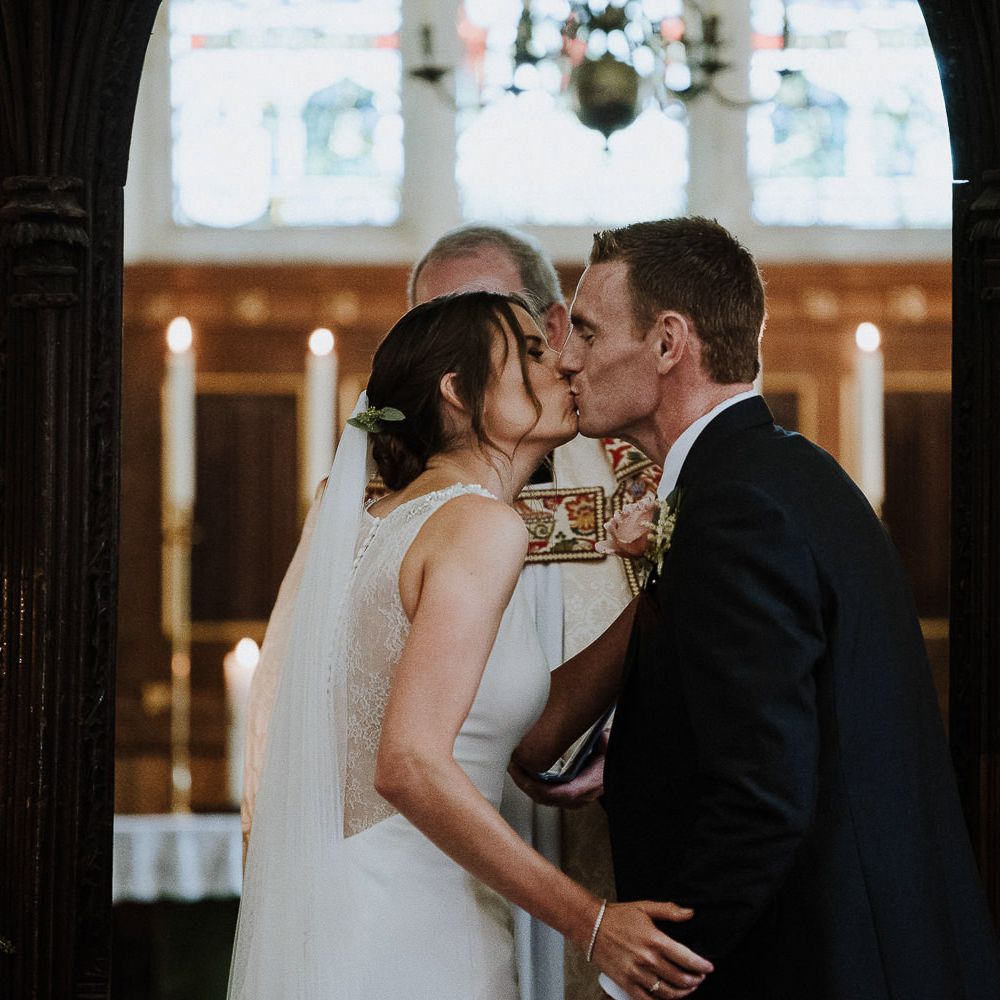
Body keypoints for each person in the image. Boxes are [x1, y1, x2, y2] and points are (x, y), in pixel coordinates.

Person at [512, 217, 1000, 999]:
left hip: (815, 964)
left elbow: (764, 797)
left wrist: (649, 970)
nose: (567, 356)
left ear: (668, 343)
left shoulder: (734, 511)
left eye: (590, 332)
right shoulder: (783, 474)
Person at [228, 291, 713, 1000]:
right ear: (458, 392)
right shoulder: (479, 525)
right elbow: (408, 764)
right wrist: (592, 923)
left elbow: (527, 738)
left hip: (354, 910)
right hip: (416, 925)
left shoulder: (385, 520)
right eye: (533, 352)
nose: (564, 363)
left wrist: (660, 591)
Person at [410, 223, 660, 1000]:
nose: (453, 358)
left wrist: (636, 740)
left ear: (552, 329)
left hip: (603, 829)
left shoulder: (643, 473)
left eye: (484, 322)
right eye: (431, 328)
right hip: (437, 852)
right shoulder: (379, 504)